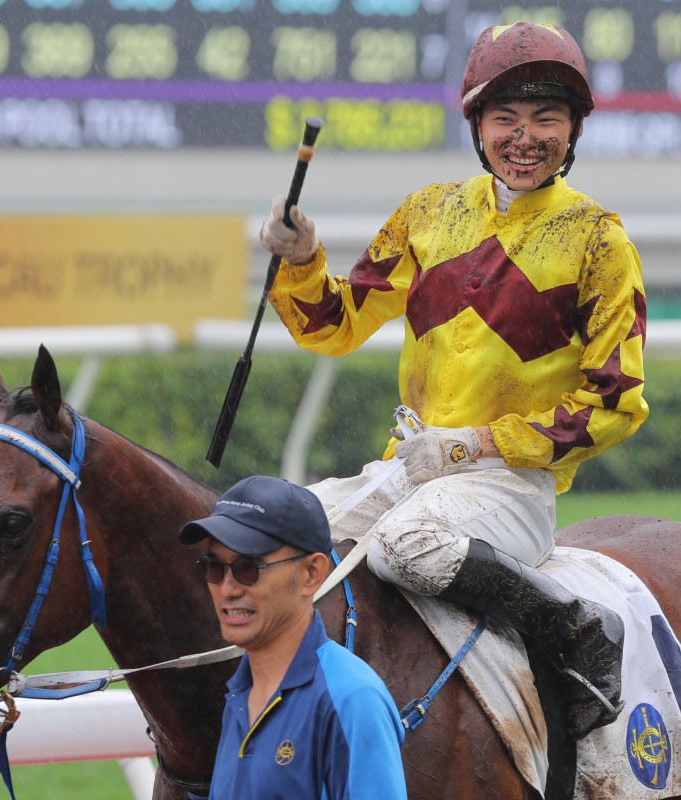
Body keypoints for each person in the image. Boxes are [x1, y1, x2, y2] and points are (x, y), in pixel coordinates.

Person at [258, 21, 649, 740]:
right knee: (269, 534)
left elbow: (614, 404)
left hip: (510, 488)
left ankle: (574, 628)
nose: (524, 137)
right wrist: (303, 256)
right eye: (505, 118)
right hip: (406, 472)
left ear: (573, 131)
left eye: (546, 119)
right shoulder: (428, 214)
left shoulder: (598, 241)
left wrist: (474, 445)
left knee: (403, 546)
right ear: (477, 125)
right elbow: (333, 324)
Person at [178, 475, 408, 800]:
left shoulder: (352, 699)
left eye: (248, 568)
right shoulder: (239, 697)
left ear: (312, 574)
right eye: (215, 568)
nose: (227, 589)